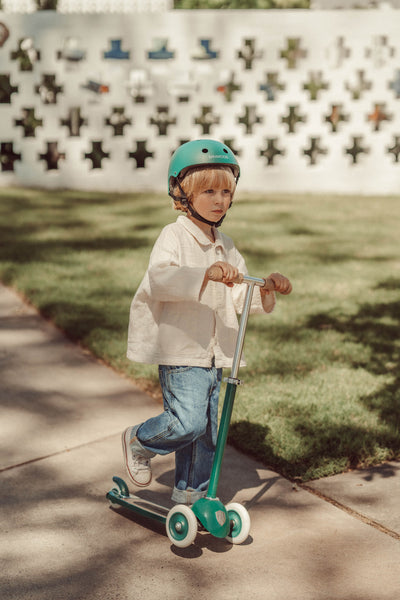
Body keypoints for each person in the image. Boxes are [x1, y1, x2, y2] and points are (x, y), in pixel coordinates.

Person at [122, 139, 292, 505]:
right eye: (209, 191)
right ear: (182, 195)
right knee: (188, 422)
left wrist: (265, 288)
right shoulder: (174, 236)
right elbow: (160, 278)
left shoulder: (227, 245)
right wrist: (206, 272)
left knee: (209, 433)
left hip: (216, 354)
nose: (219, 199)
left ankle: (190, 495)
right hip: (182, 347)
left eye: (226, 191)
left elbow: (237, 298)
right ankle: (141, 440)